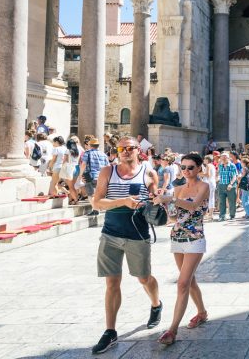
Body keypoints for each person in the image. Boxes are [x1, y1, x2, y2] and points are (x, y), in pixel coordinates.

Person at [90, 137, 162, 354]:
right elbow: (96, 202)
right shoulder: (107, 172)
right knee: (112, 283)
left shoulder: (149, 173)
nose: (125, 151)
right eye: (121, 148)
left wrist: (155, 201)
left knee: (143, 278)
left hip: (137, 233)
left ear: (138, 151)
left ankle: (156, 304)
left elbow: (154, 200)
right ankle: (110, 331)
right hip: (111, 232)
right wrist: (122, 201)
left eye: (130, 148)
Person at [155, 152, 209, 346]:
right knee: (190, 281)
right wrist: (164, 205)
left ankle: (172, 330)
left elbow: (194, 206)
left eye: (190, 167)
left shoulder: (204, 186)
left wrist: (170, 199)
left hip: (195, 239)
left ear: (199, 168)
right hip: (177, 237)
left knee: (182, 283)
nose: (186, 171)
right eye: (183, 167)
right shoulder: (177, 189)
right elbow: (173, 218)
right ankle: (202, 312)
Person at [215, 153, 239, 221]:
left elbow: (234, 176)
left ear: (228, 158)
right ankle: (222, 216)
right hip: (221, 185)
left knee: (232, 201)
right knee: (222, 202)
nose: (223, 159)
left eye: (225, 158)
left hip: (230, 186)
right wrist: (216, 179)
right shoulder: (220, 165)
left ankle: (232, 215)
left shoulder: (232, 165)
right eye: (222, 158)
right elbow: (219, 174)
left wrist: (231, 184)